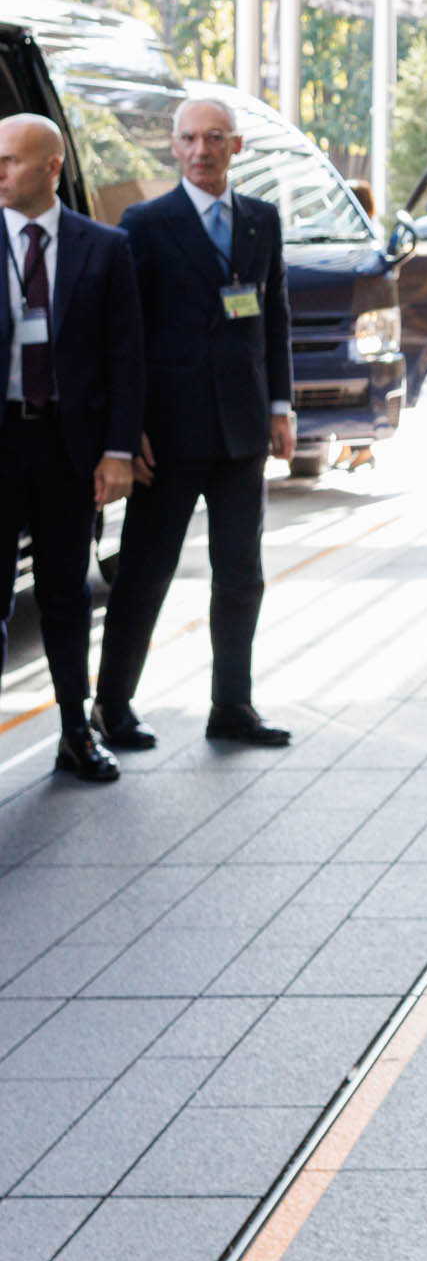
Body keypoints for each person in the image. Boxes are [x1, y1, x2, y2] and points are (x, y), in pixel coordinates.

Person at [95, 94, 293, 753]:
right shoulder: (145, 224)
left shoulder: (263, 221)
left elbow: (274, 320)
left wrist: (280, 407)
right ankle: (112, 707)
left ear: (236, 147)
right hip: (168, 438)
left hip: (241, 434)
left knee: (241, 574)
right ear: (173, 148)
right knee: (147, 572)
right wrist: (130, 430)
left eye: (214, 138)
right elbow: (123, 335)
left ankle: (232, 706)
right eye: (188, 139)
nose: (201, 151)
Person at [0, 113, 140, 784]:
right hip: (1, 440)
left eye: (11, 161)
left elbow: (126, 358)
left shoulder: (103, 248)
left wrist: (117, 451)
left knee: (64, 596)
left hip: (64, 444)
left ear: (52, 167)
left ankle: (74, 732)